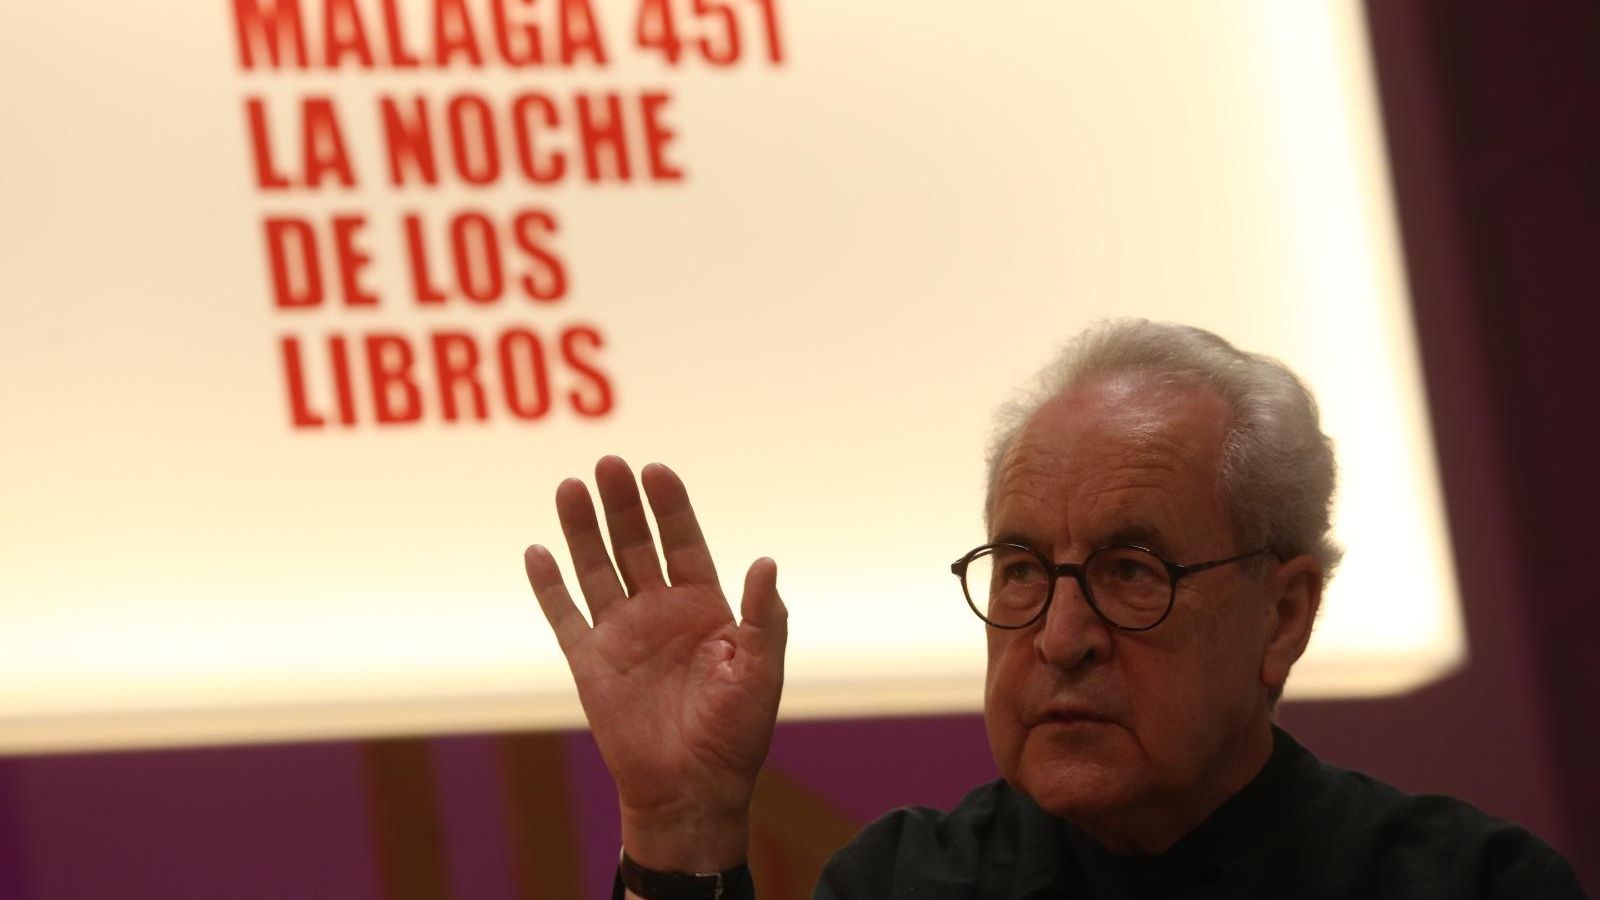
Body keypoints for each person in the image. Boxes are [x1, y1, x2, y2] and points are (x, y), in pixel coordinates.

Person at [523, 320, 1585, 899]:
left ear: (1282, 616)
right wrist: (679, 826)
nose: (1061, 639)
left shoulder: (1470, 888)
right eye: (1023, 569)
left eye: (1131, 572)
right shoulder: (903, 887)